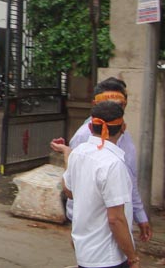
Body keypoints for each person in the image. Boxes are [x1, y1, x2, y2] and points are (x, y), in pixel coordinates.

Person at [50, 77, 152, 243]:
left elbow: (130, 179)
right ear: (95, 105)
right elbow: (74, 186)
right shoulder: (83, 136)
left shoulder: (124, 136)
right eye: (107, 104)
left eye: (118, 105)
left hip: (118, 218)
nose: (113, 109)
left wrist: (140, 215)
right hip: (94, 225)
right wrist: (78, 225)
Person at [54, 101, 140, 268]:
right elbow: (116, 219)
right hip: (108, 257)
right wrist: (133, 257)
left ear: (90, 127)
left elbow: (69, 191)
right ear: (123, 128)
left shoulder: (78, 153)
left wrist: (67, 154)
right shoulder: (113, 164)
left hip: (84, 251)